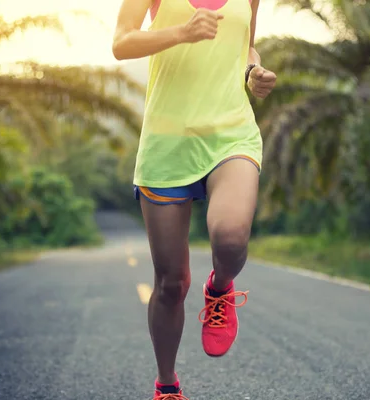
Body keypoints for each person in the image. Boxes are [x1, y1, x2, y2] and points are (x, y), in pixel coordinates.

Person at [112, 0, 277, 397]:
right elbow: (121, 43)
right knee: (171, 283)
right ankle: (166, 386)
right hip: (167, 143)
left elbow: (245, 46)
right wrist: (181, 33)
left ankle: (220, 288)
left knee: (232, 236)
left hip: (231, 132)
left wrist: (253, 71)